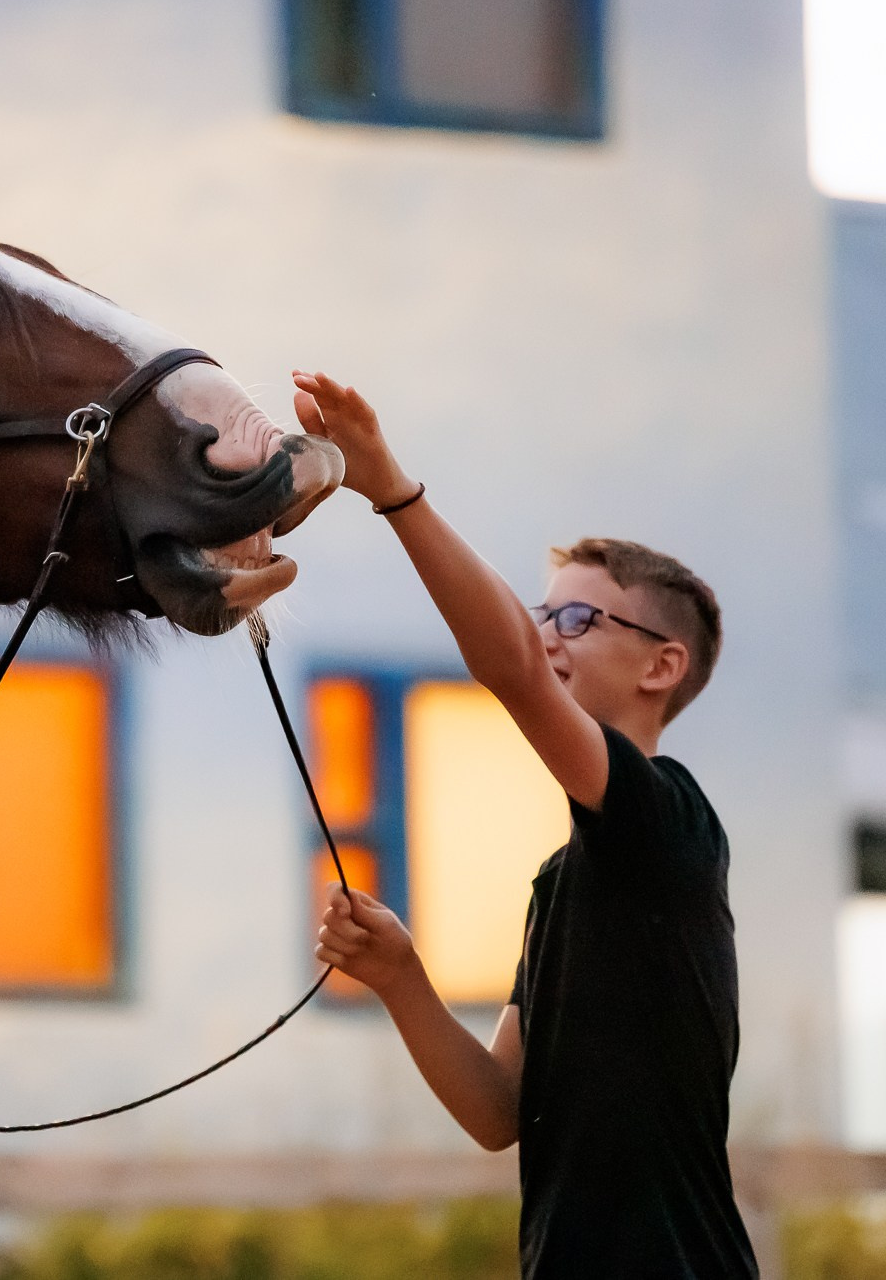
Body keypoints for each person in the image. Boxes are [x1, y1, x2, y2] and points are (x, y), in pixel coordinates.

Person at [292, 369, 757, 1279]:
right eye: (543, 613)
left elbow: (511, 668)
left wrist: (390, 486)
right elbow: (500, 1111)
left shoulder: (668, 822)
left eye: (577, 617)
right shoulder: (568, 873)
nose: (547, 634)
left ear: (663, 665)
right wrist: (398, 976)